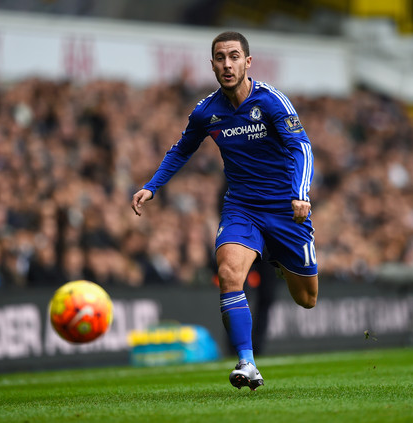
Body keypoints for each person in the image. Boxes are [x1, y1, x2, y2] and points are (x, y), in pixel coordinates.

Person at [131, 31, 318, 390]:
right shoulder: (206, 112)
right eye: (220, 57)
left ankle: (279, 260)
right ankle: (247, 362)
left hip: (285, 209)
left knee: (306, 299)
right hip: (242, 208)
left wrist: (300, 193)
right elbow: (180, 149)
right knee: (229, 273)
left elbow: (301, 147)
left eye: (234, 56)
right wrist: (151, 186)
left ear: (248, 62)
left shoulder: (272, 102)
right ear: (213, 64)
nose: (227, 64)